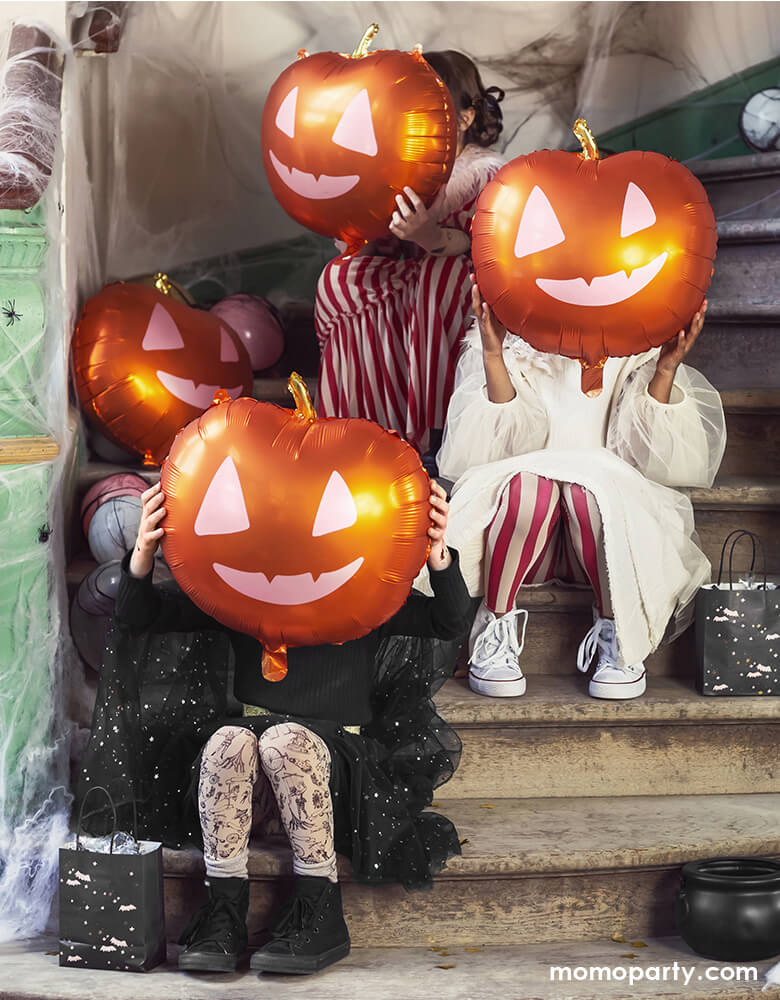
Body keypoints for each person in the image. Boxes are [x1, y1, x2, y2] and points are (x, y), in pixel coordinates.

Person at [78, 478, 471, 976]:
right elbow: (142, 614)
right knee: (227, 740)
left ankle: (319, 905)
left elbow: (449, 622)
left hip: (334, 778)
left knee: (287, 741)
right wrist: (145, 550)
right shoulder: (244, 591)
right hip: (252, 779)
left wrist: (437, 554)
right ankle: (224, 910)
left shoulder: (367, 594)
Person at [425, 281, 726, 700]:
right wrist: (494, 355)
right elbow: (504, 448)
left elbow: (644, 455)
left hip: (605, 532)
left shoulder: (636, 339)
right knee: (530, 486)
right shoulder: (513, 334)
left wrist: (664, 369)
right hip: (525, 534)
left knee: (589, 493)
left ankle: (616, 633)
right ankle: (494, 629)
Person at [315, 50, 505, 464]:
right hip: (408, 278)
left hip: (461, 286)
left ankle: (434, 434)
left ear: (466, 118)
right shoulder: (394, 167)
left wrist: (430, 236)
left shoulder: (483, 174)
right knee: (342, 276)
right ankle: (359, 427)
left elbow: (486, 245)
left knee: (438, 276)